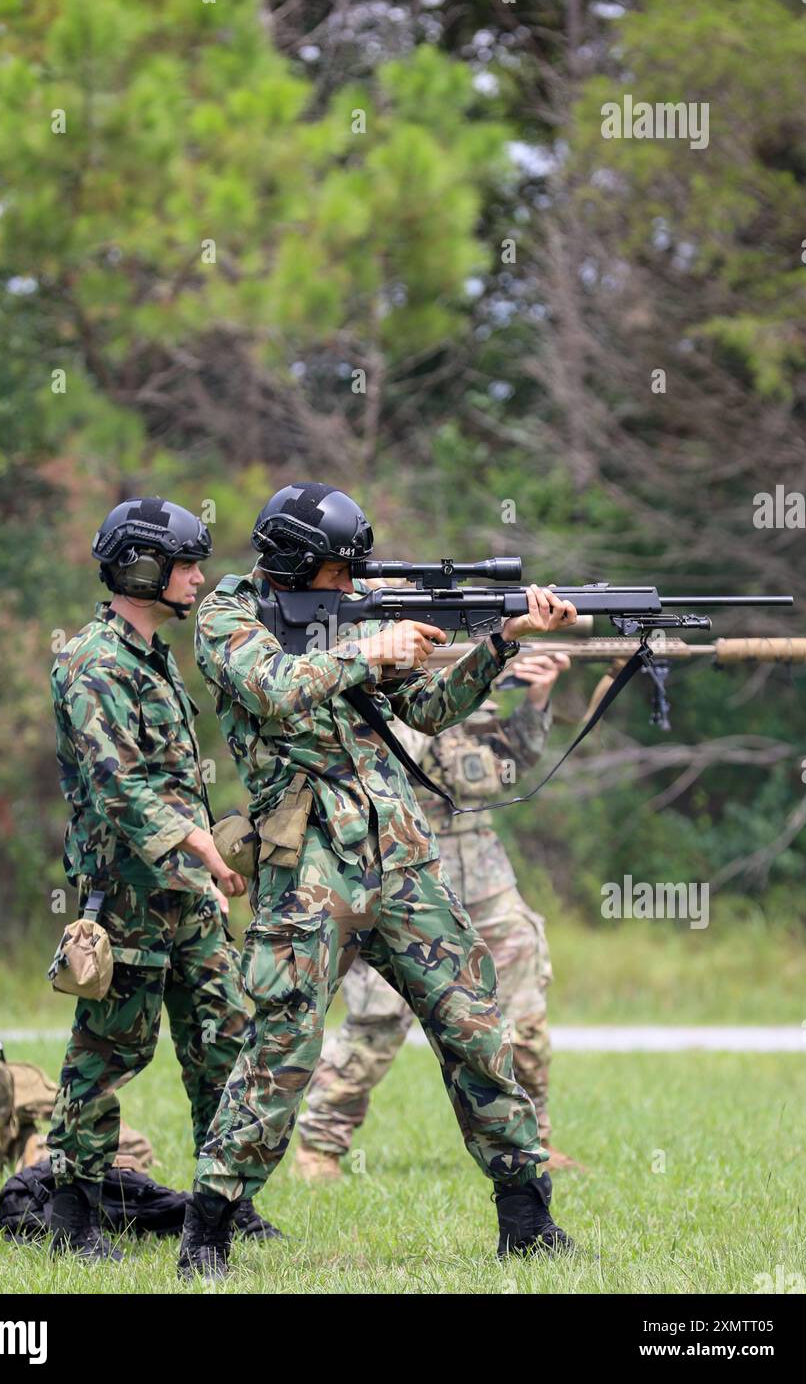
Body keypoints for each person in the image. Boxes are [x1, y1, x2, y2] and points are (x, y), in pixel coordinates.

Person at [176, 481, 579, 1280]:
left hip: (398, 849)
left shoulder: (348, 616)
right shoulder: (230, 616)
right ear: (296, 564)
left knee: (473, 1021)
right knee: (282, 1042)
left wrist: (500, 642)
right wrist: (367, 647)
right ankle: (210, 1229)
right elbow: (270, 690)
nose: (352, 587)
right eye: (338, 572)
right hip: (309, 861)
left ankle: (528, 1221)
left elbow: (428, 710)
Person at [46, 496, 278, 1259]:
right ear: (142, 568)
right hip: (130, 902)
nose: (199, 576)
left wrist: (208, 868)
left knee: (224, 1041)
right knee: (108, 1053)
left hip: (187, 896)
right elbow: (121, 791)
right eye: (185, 564)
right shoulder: (92, 661)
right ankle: (72, 1213)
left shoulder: (150, 660)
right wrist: (204, 853)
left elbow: (172, 786)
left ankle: (224, 1205)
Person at [294, 651, 587, 1178]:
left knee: (523, 1017)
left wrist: (535, 699)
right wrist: (432, 688)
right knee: (377, 1021)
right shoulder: (375, 685)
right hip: (405, 870)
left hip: (484, 875)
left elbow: (507, 766)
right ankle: (321, 1145)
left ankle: (534, 1140)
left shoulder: (476, 692)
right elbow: (387, 759)